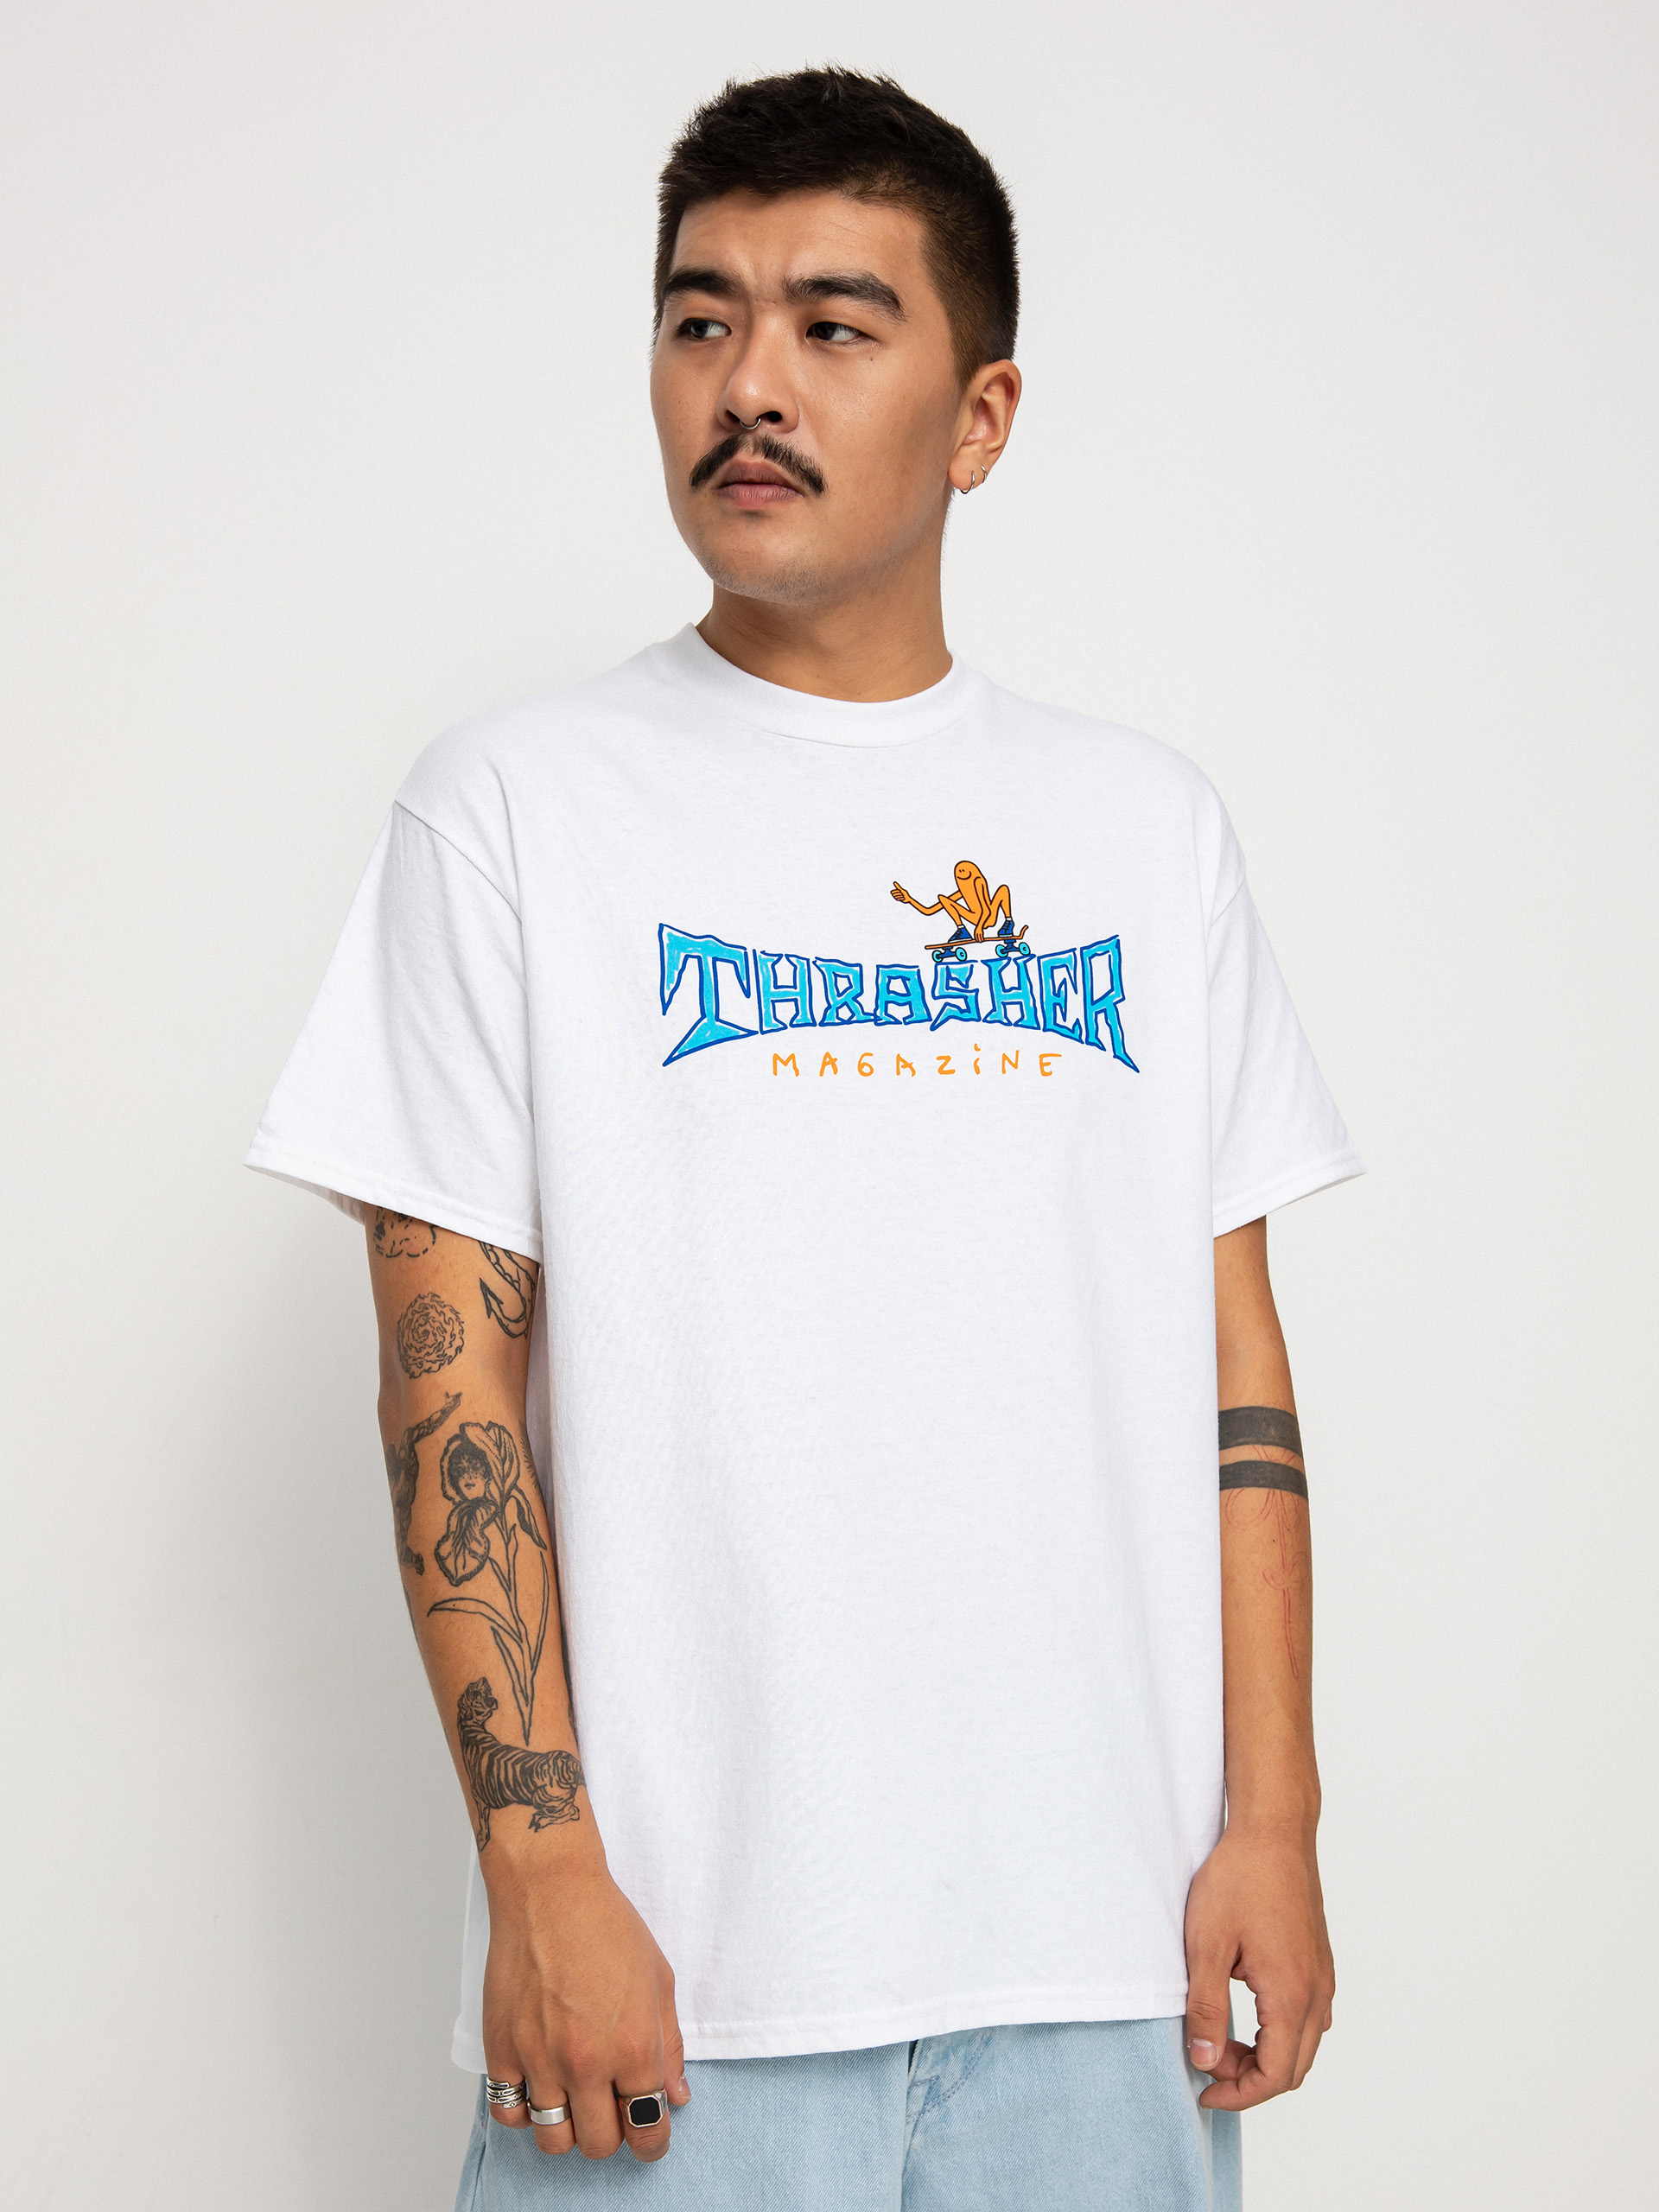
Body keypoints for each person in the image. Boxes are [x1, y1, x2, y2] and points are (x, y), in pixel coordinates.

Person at [247, 67, 1362, 2211]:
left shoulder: (1144, 828)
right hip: (678, 1998)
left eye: (834, 325)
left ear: (983, 414)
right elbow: (446, 1387)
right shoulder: (513, 809)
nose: (749, 382)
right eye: (702, 318)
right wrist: (543, 1875)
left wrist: (1278, 1818)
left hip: (1101, 1975)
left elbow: (1235, 1369)